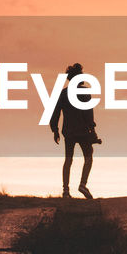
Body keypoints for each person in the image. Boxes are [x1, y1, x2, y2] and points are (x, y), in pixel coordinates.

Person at [49, 62, 101, 198]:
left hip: (69, 132)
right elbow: (88, 114)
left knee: (68, 160)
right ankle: (83, 185)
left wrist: (55, 130)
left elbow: (55, 112)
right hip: (83, 131)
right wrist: (93, 131)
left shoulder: (63, 94)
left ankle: (66, 191)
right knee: (88, 157)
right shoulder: (85, 92)